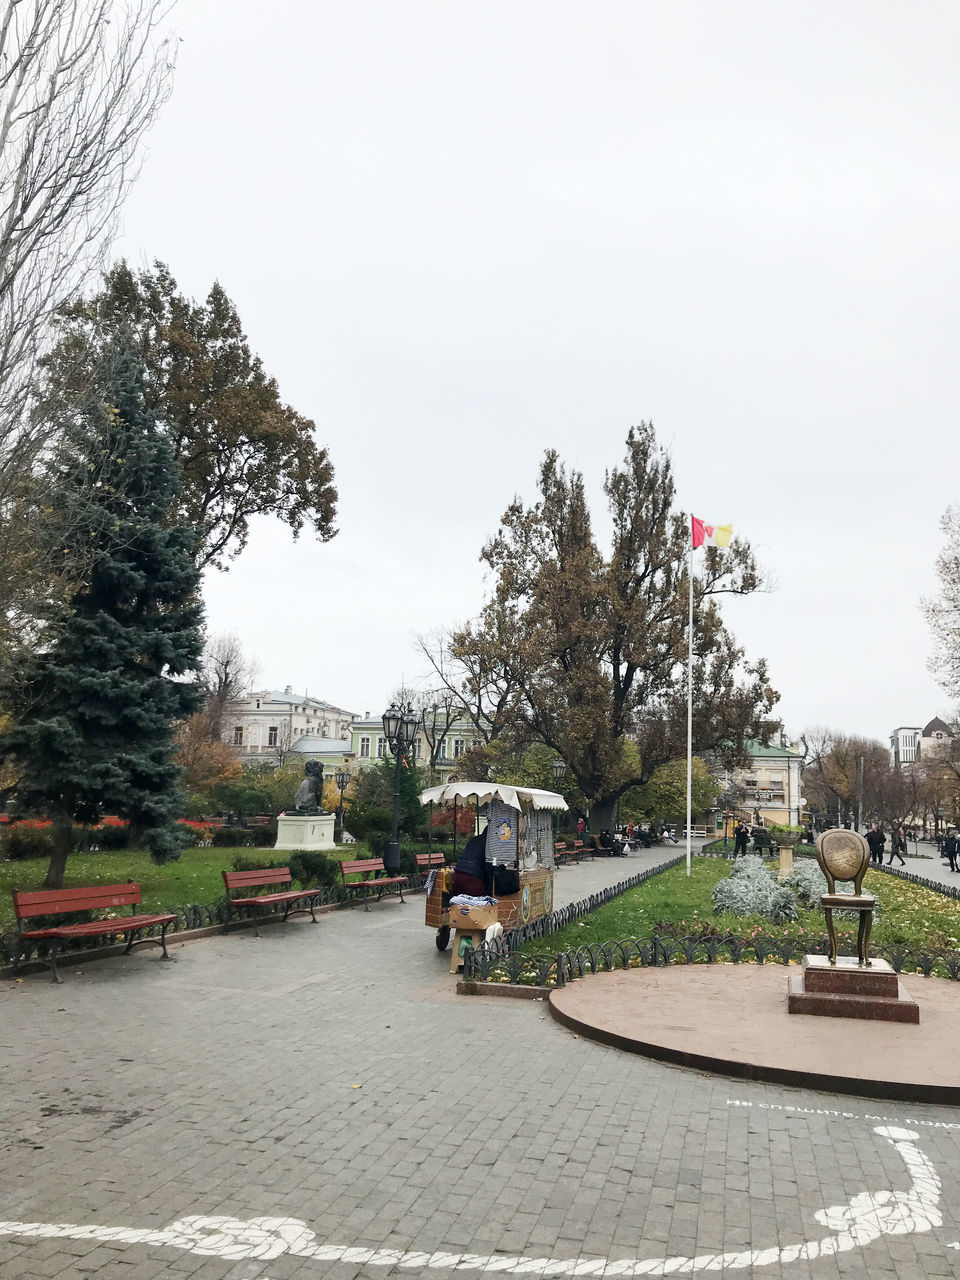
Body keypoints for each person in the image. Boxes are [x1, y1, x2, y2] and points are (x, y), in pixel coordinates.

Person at [451, 829, 491, 897]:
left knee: (459, 904)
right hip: (472, 877)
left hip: (458, 873)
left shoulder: (474, 839)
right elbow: (488, 867)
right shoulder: (489, 844)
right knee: (480, 903)